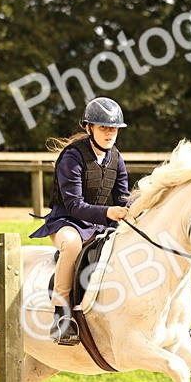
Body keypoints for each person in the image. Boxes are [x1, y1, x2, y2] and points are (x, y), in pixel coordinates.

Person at [30, 97, 131, 344]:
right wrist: (109, 213)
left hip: (99, 223)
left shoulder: (116, 157)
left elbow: (123, 196)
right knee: (73, 245)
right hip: (66, 221)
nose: (109, 133)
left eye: (113, 129)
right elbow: (74, 205)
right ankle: (60, 315)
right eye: (103, 128)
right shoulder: (72, 157)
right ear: (89, 128)